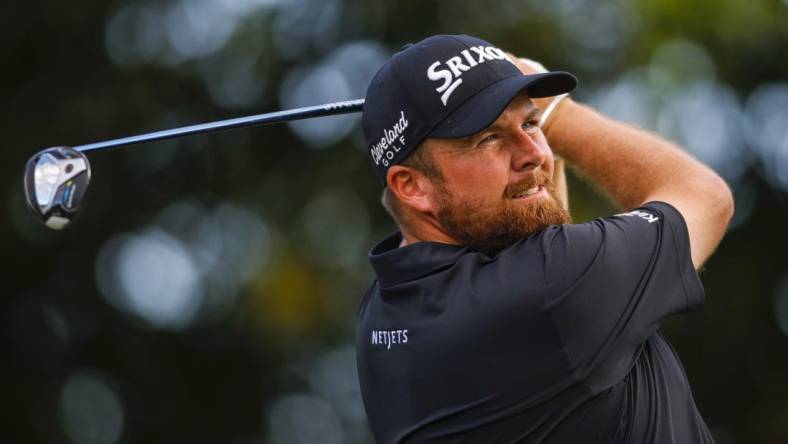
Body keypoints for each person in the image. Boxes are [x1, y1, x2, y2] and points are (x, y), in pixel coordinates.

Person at [355, 34, 733, 444]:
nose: (534, 153)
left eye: (529, 123)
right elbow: (705, 197)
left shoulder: (381, 313)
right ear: (412, 186)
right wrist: (559, 115)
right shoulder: (553, 290)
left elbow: (543, 235)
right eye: (488, 138)